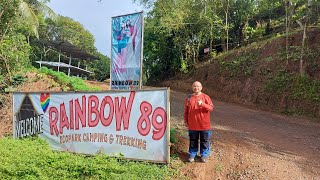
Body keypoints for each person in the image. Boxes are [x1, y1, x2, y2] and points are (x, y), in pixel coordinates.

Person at [184, 81, 214, 163]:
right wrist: (185, 121)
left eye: (198, 86)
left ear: (201, 88)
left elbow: (211, 108)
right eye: (194, 86)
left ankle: (204, 155)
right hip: (193, 125)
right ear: (192, 87)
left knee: (204, 141)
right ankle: (192, 155)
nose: (196, 88)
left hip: (204, 125)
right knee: (193, 141)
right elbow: (186, 111)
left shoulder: (206, 97)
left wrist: (203, 104)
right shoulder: (189, 98)